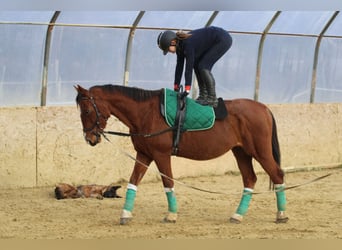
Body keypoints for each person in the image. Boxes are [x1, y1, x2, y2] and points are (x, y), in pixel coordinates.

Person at [157, 26, 232, 107]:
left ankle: (212, 99)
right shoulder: (180, 48)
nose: (168, 51)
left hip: (222, 39)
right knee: (197, 65)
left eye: (168, 49)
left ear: (173, 42)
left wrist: (187, 89)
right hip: (216, 39)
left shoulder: (188, 44)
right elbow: (179, 67)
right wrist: (176, 87)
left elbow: (188, 68)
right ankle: (203, 95)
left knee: (203, 66)